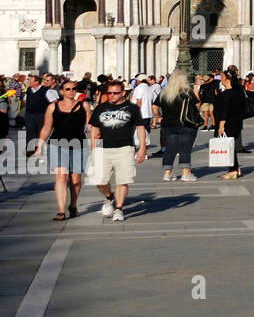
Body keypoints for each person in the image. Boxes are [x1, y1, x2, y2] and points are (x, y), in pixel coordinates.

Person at [86, 80, 147, 222]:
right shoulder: (101, 108)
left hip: (125, 148)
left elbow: (140, 128)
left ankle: (119, 209)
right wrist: (93, 149)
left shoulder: (132, 109)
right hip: (103, 149)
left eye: (115, 93)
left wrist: (142, 148)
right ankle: (109, 197)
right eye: (109, 93)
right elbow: (94, 129)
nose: (112, 95)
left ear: (123, 93)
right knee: (100, 180)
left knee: (123, 180)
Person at [32, 78, 88, 219]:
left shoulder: (84, 106)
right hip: (57, 144)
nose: (71, 91)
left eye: (74, 89)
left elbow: (91, 127)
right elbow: (46, 128)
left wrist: (96, 144)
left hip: (78, 144)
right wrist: (39, 146)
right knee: (61, 177)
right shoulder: (53, 107)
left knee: (75, 179)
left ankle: (73, 205)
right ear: (61, 91)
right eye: (67, 89)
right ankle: (61, 210)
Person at [155, 69, 200, 183]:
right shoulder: (186, 92)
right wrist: (196, 91)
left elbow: (154, 106)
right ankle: (185, 173)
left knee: (170, 148)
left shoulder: (164, 92)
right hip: (185, 124)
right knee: (185, 147)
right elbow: (197, 104)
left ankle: (167, 173)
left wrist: (158, 116)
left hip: (167, 124)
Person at [213, 71, 247, 181]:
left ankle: (232, 171)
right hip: (236, 122)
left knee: (228, 146)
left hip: (227, 123)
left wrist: (221, 125)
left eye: (222, 77)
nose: (220, 79)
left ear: (227, 79)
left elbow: (225, 111)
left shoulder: (227, 93)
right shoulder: (239, 92)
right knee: (230, 145)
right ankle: (235, 168)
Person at [25, 73, 58, 156]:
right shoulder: (29, 90)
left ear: (36, 82)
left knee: (40, 131)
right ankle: (29, 149)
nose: (28, 82)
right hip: (29, 114)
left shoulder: (45, 91)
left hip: (41, 114)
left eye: (30, 80)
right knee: (30, 131)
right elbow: (25, 100)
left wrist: (49, 111)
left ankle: (39, 148)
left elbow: (55, 101)